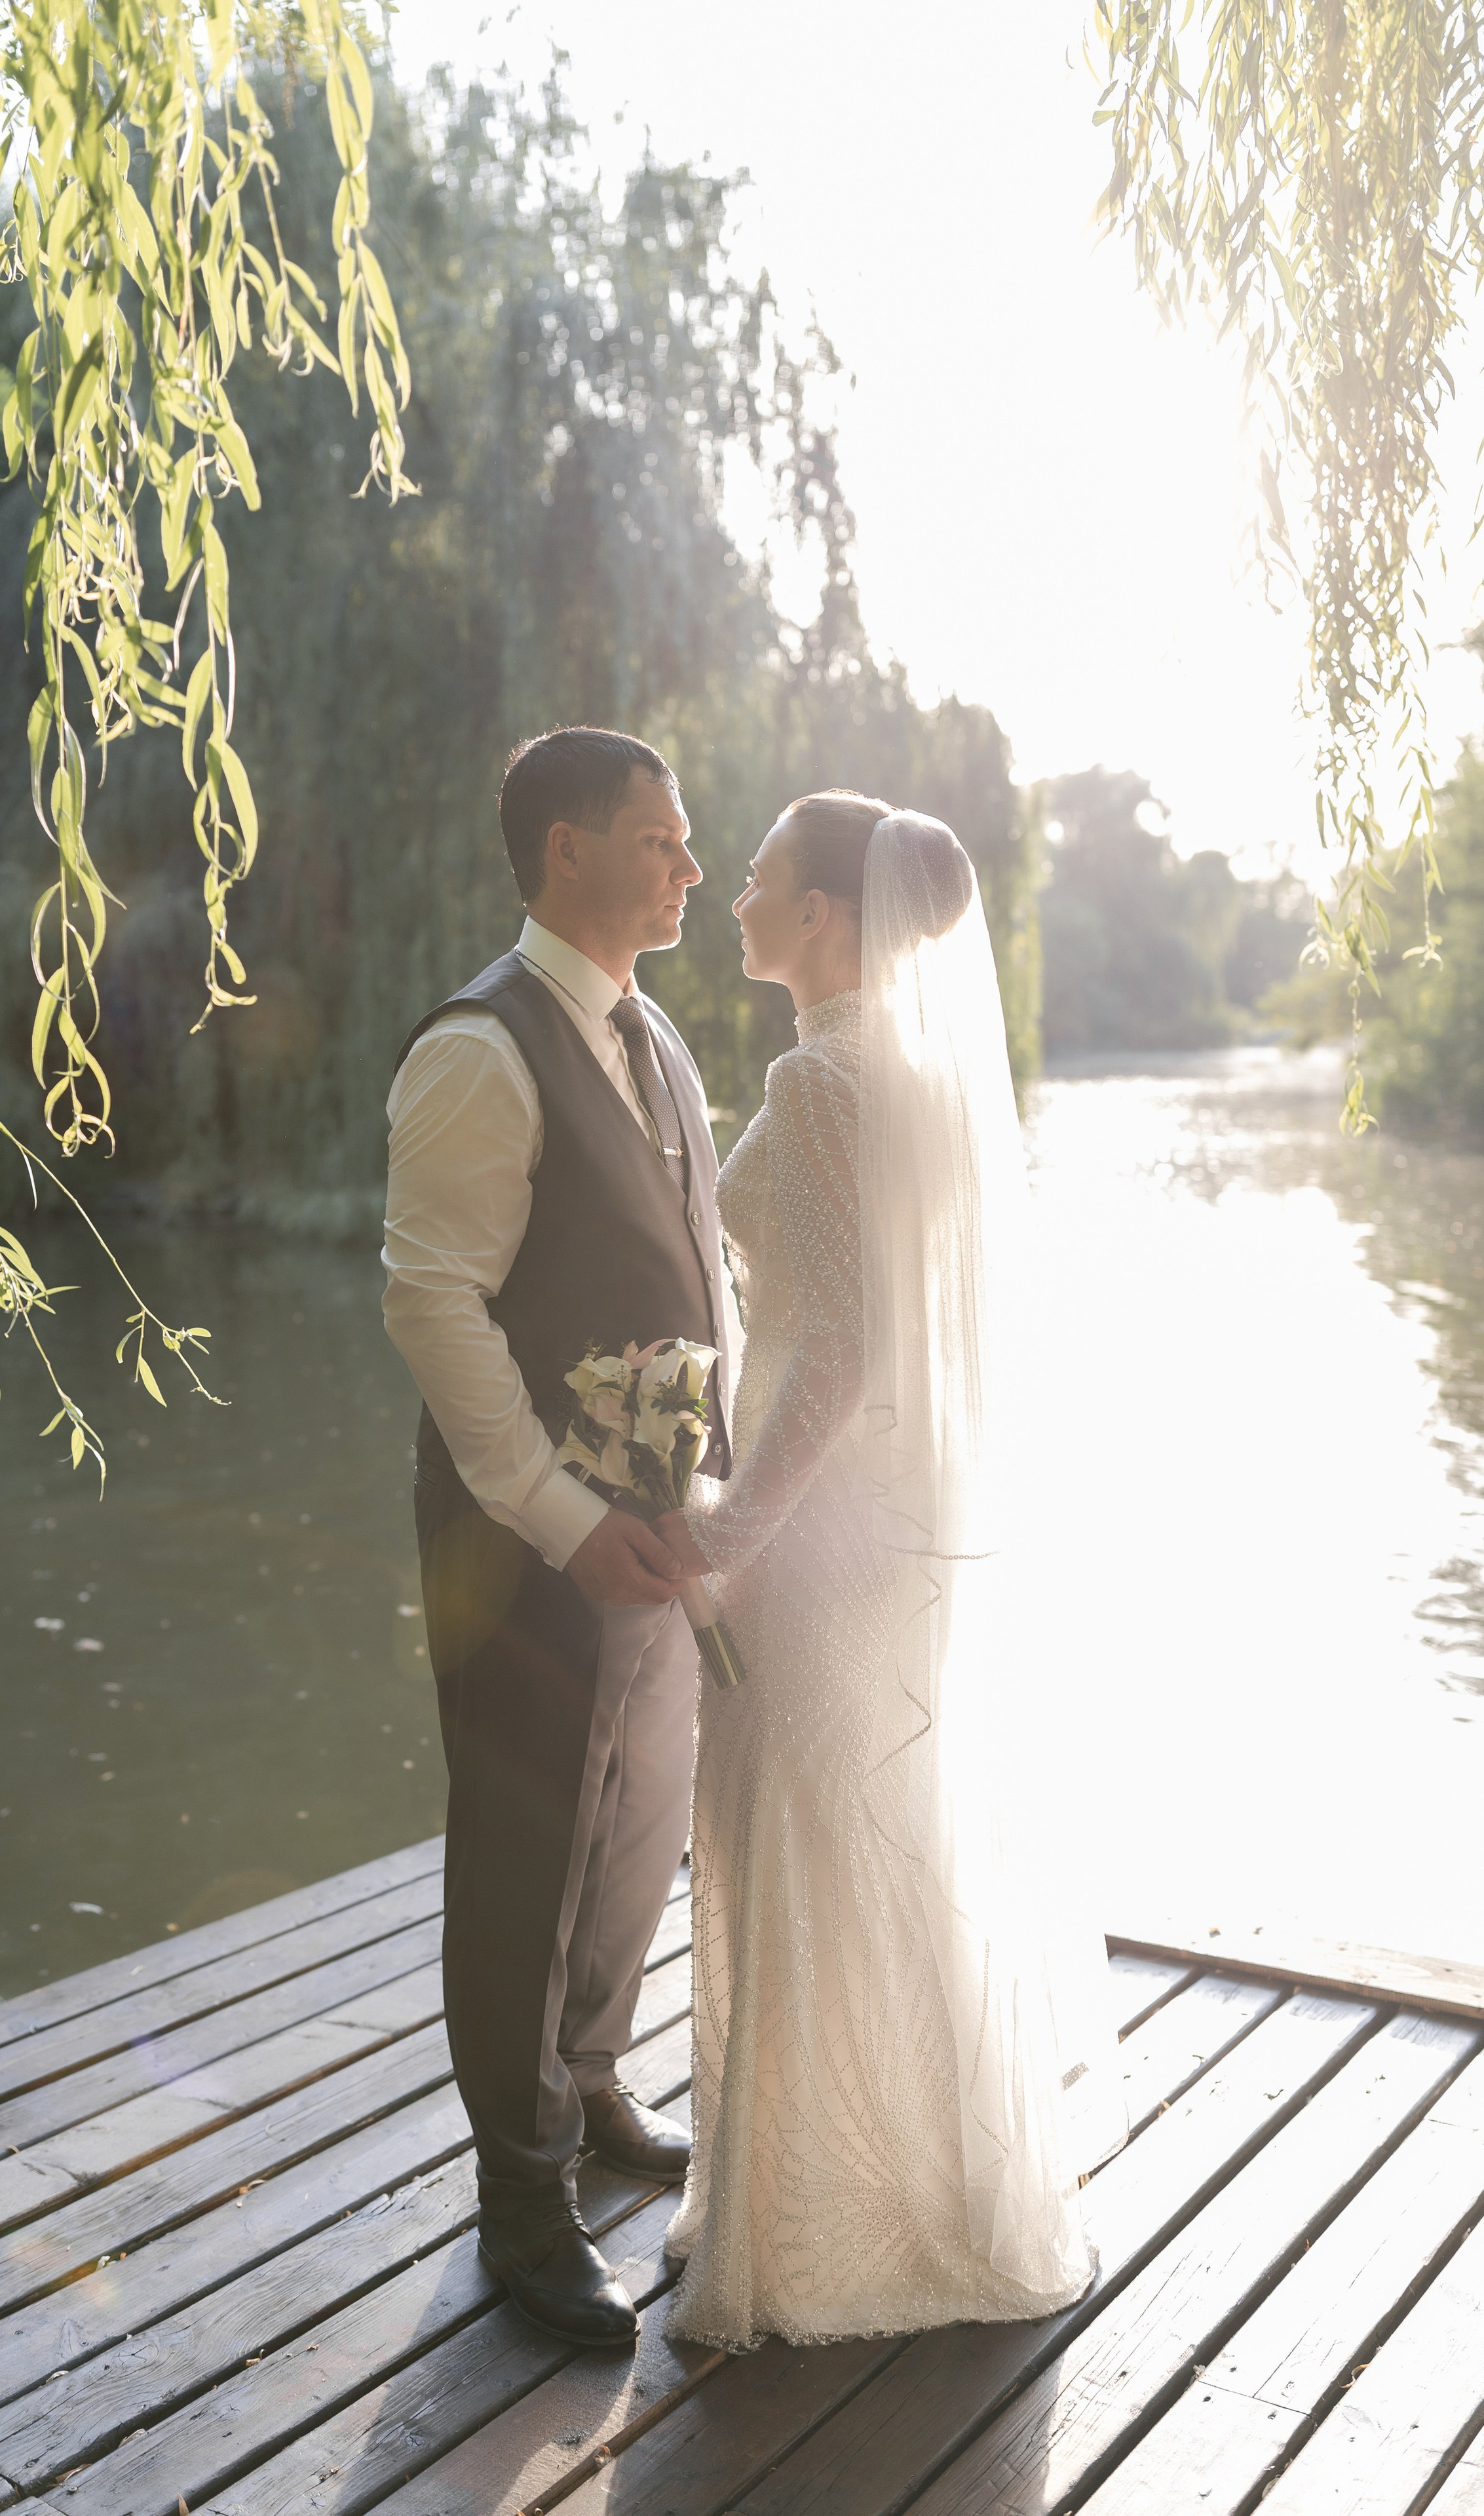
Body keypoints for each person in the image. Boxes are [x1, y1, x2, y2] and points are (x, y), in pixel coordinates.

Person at [655, 790, 1126, 2350]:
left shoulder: (816, 1079)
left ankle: (802, 2227)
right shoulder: (925, 1082)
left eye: (757, 878)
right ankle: (909, 2180)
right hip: (894, 1518)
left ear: (823, 918)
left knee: (791, 1824)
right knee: (877, 1829)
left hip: (819, 1532)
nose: (731, 895)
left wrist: (728, 1526)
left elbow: (842, 1345)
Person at [381, 726, 738, 2348]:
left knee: (639, 1817)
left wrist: (709, 1484)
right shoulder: (479, 1048)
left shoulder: (653, 1037)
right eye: (660, 840)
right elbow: (433, 1305)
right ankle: (520, 2200)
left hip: (657, 1536)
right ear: (567, 850)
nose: (690, 867)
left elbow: (698, 1268)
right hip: (521, 1545)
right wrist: (558, 1516)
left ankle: (589, 2082)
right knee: (523, 1852)